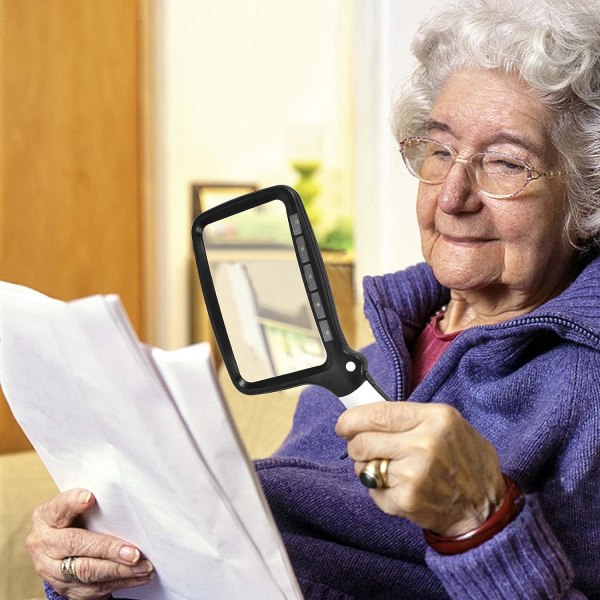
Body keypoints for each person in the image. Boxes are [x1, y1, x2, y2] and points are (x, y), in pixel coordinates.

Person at [26, 0, 600, 597]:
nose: (453, 195)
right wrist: (95, 567)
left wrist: (479, 522)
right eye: (439, 150)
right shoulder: (369, 359)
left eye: (506, 164)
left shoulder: (586, 391)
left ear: (586, 192)